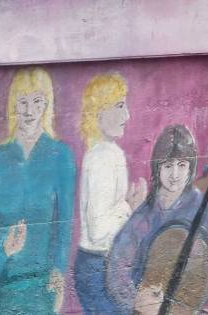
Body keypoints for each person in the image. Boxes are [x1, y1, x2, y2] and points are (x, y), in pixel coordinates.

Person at [107, 124, 208, 312]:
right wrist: (137, 300)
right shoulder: (146, 214)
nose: (175, 174)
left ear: (190, 168)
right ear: (157, 167)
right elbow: (117, 265)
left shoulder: (197, 204)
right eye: (168, 165)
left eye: (182, 165)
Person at [0, 67, 75, 314]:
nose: (29, 111)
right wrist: (4, 252)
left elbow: (64, 225)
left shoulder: (60, 155)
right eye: (23, 102)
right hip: (3, 288)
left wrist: (58, 273)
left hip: (43, 288)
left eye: (37, 101)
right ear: (13, 105)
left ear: (46, 105)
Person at [74, 73, 146, 314]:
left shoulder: (109, 152)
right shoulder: (102, 157)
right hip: (98, 265)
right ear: (99, 112)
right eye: (119, 106)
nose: (127, 115)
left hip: (103, 264)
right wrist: (128, 207)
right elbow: (98, 231)